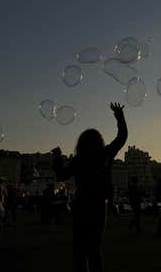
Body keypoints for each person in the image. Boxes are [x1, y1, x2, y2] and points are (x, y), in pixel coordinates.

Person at [52, 102, 128, 272]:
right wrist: (119, 116)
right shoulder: (104, 154)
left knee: (79, 249)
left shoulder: (78, 160)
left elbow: (61, 176)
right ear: (99, 141)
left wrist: (57, 157)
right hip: (99, 205)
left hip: (81, 204)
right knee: (94, 249)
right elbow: (122, 137)